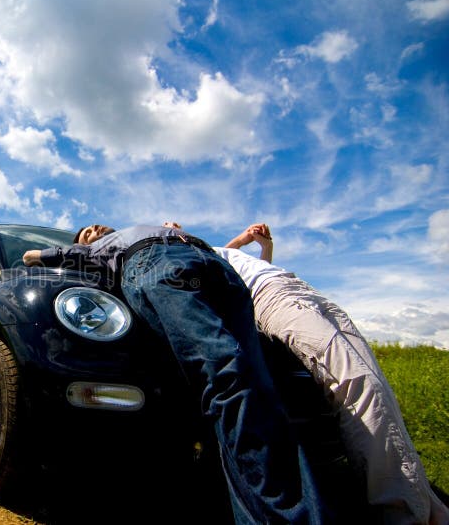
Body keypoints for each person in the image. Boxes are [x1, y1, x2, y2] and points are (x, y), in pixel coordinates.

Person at [23, 224, 326, 524]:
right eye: (86, 232)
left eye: (95, 226)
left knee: (260, 386)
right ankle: (287, 517)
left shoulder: (139, 226)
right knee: (228, 372)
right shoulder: (92, 252)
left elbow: (222, 249)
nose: (95, 229)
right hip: (157, 262)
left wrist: (246, 239)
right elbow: (37, 257)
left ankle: (249, 504)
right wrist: (45, 254)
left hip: (215, 266)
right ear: (81, 246)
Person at [210, 222, 449, 525]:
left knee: (377, 387)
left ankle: (425, 501)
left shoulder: (222, 252)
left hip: (302, 289)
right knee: (358, 386)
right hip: (271, 298)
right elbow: (237, 280)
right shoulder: (190, 253)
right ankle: (404, 513)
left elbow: (246, 260)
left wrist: (258, 243)